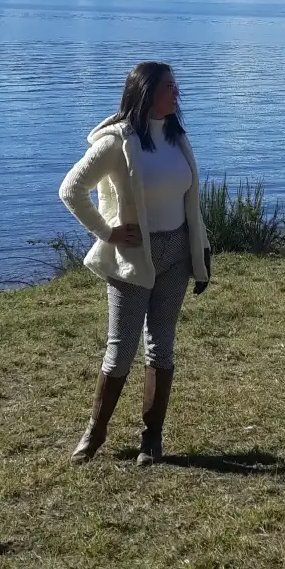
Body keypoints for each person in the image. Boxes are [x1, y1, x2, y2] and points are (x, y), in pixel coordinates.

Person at [58, 61, 211, 466]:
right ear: (145, 93)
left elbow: (189, 201)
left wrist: (202, 249)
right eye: (168, 88)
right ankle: (95, 432)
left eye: (176, 87)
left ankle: (152, 440)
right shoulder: (117, 142)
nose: (176, 94)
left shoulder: (178, 138)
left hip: (176, 255)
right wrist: (107, 233)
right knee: (121, 349)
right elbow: (71, 190)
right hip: (133, 258)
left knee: (161, 346)